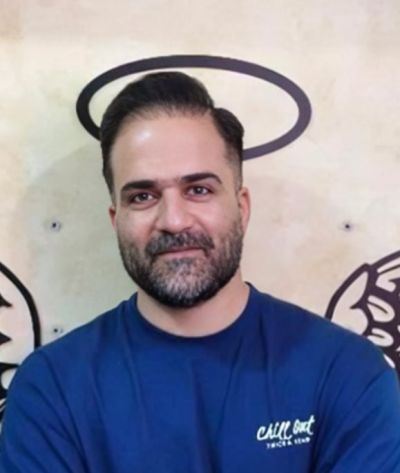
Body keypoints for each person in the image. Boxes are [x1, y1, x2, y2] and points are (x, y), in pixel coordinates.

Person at [1, 72, 400, 473]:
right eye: (143, 196)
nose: (174, 221)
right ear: (115, 219)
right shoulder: (51, 389)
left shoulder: (347, 374)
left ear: (241, 207)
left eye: (198, 190)